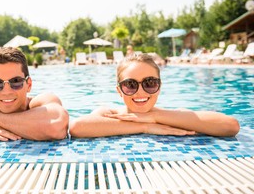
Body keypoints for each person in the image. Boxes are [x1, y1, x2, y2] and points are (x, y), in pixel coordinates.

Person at [70, 53, 240, 138]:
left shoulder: (170, 116)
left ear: (159, 86)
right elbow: (77, 128)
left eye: (149, 83)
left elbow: (230, 126)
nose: (141, 92)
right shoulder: (109, 114)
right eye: (130, 85)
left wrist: (155, 116)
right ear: (119, 90)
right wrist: (145, 127)